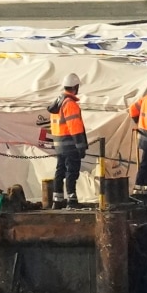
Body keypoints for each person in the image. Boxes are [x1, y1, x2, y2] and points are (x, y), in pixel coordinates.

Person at [50, 73, 88, 209]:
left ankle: (57, 199)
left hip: (59, 144)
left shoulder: (57, 102)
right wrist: (81, 146)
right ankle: (72, 200)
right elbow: (75, 127)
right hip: (70, 144)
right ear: (75, 87)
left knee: (60, 170)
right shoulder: (70, 104)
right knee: (72, 171)